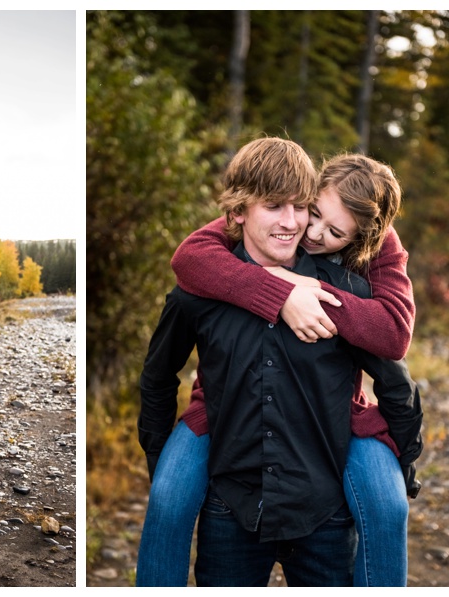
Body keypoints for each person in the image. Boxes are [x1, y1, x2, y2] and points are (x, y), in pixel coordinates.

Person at [138, 138, 422, 586]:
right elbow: (159, 367)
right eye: (274, 206)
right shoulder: (207, 276)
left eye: (301, 208)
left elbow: (392, 347)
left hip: (327, 462)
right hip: (224, 439)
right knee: (168, 498)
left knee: (388, 507)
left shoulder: (354, 267)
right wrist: (278, 290)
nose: (301, 228)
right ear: (239, 214)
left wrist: (404, 459)